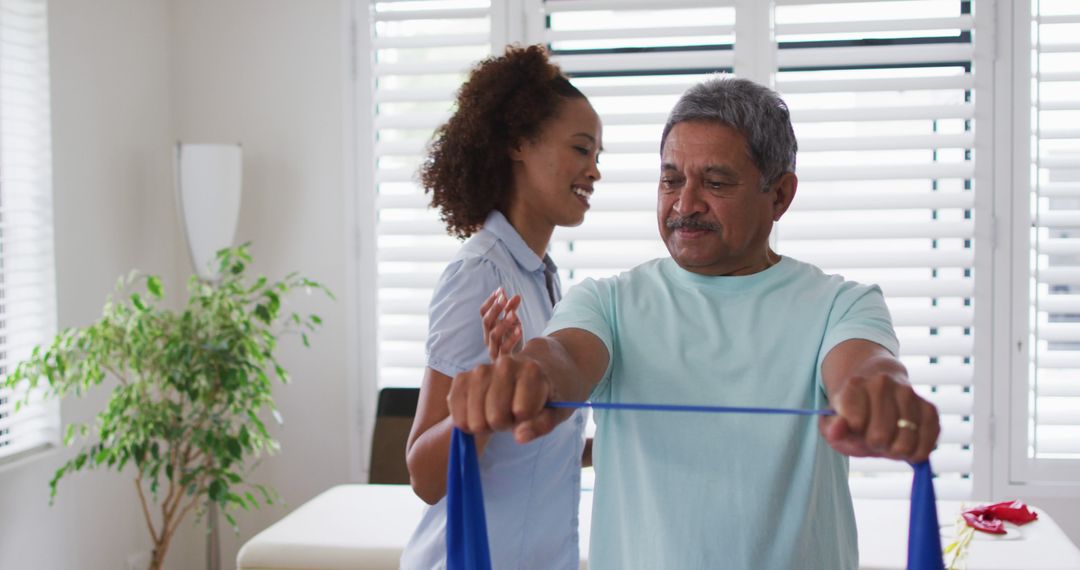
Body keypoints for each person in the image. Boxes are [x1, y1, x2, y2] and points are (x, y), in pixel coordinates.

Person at [447, 76, 941, 569]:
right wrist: (530, 375)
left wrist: (882, 395)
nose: (685, 205)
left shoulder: (843, 304)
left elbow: (867, 369)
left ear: (780, 196)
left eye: (716, 182)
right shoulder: (607, 301)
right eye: (671, 180)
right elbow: (561, 356)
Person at [399, 44, 602, 570]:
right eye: (581, 149)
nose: (594, 171)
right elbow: (423, 474)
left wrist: (609, 449)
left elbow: (529, 449)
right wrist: (486, 398)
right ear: (519, 144)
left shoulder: (545, 280)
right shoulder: (481, 275)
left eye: (598, 156)